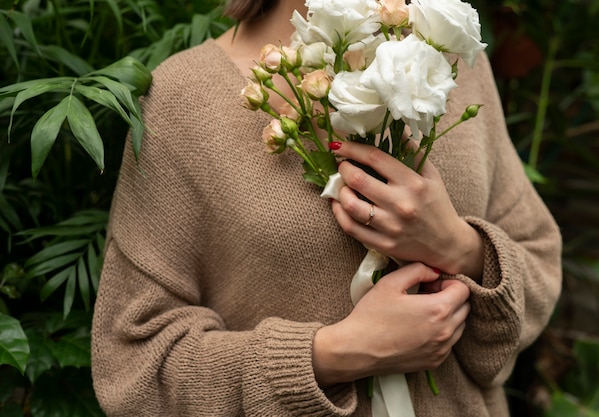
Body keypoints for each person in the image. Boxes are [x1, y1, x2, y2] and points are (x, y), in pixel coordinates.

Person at [90, 0, 562, 415]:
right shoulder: (183, 99)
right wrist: (335, 354)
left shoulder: (451, 62)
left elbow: (539, 258)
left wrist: (462, 249)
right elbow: (133, 361)